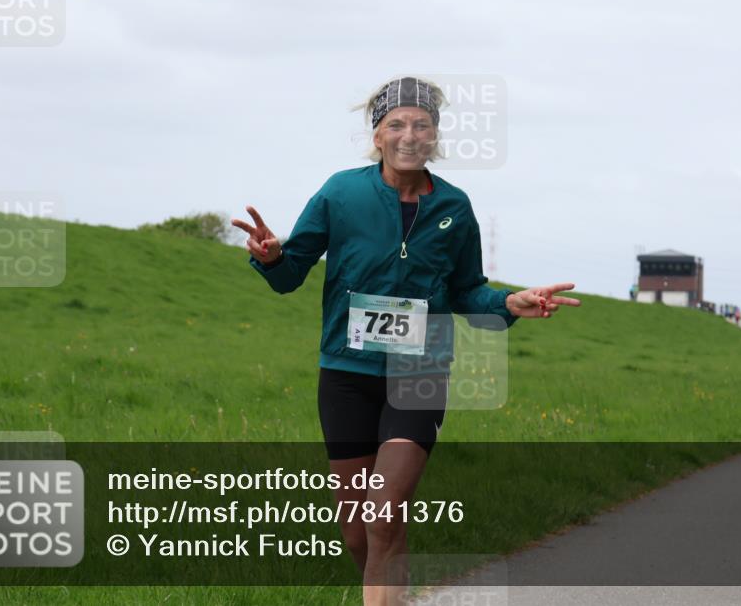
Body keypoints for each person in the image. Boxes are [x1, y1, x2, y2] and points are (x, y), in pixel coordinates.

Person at [233, 76, 580, 606]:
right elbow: (289, 274)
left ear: (435, 136)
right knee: (357, 529)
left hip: (420, 373)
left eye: (422, 124)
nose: (409, 134)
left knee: (384, 508)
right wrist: (272, 257)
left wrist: (509, 304)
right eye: (396, 124)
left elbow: (467, 291)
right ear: (377, 136)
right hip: (346, 374)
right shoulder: (340, 193)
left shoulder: (455, 208)